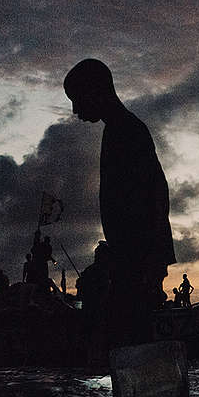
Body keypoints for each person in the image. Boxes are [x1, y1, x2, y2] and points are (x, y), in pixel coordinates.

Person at [64, 59, 176, 351]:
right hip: (131, 256)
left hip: (138, 257)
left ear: (96, 92)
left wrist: (149, 261)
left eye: (78, 100)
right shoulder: (120, 130)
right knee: (128, 335)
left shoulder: (127, 131)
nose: (76, 111)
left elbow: (155, 195)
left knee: (130, 338)